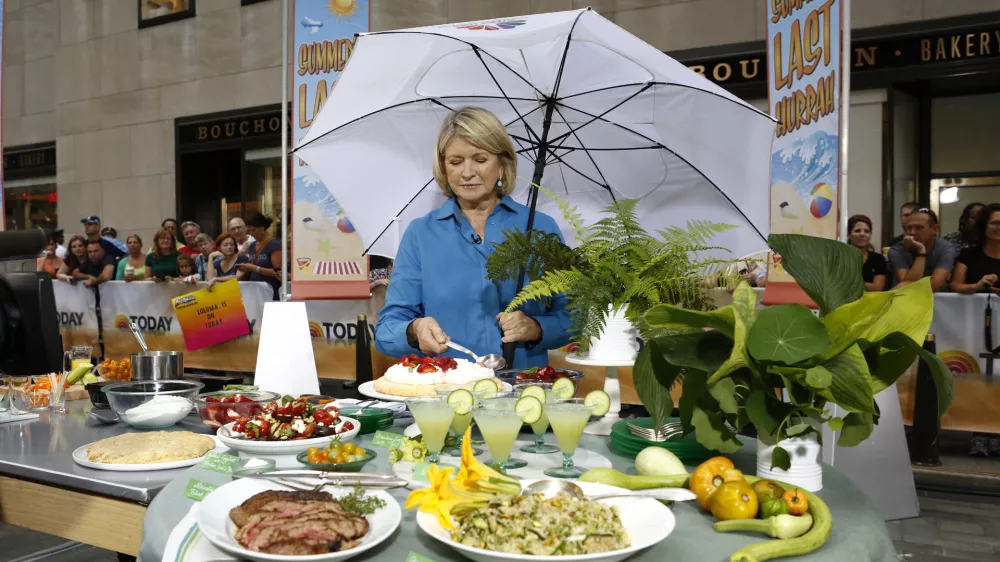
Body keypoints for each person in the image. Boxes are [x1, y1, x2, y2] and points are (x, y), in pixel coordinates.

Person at [375, 107, 572, 368]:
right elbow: (387, 331)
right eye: (455, 162)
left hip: (523, 394)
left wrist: (536, 327)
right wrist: (414, 330)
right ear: (444, 167)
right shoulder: (420, 234)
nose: (467, 173)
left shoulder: (540, 228)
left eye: (480, 159)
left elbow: (575, 318)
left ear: (501, 166)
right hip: (444, 394)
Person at [887, 208, 956, 292]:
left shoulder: (946, 248)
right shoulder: (897, 250)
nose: (912, 232)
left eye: (919, 228)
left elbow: (935, 286)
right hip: (905, 300)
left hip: (937, 300)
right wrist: (921, 252)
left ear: (935, 229)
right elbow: (908, 289)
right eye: (909, 228)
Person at [951, 203, 1000, 295]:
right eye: (995, 223)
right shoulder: (968, 254)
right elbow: (955, 286)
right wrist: (977, 286)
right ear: (983, 226)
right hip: (973, 308)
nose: (999, 228)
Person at [239, 213, 283, 300]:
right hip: (254, 292)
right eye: (249, 231)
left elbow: (278, 273)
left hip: (270, 292)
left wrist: (255, 268)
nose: (251, 234)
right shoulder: (252, 245)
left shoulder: (274, 244)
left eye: (253, 230)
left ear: (262, 228)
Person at [847, 214, 887, 292]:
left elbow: (878, 287)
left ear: (870, 235)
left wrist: (848, 284)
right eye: (857, 231)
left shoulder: (878, 259)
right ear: (849, 234)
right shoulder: (838, 258)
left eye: (867, 231)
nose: (862, 234)